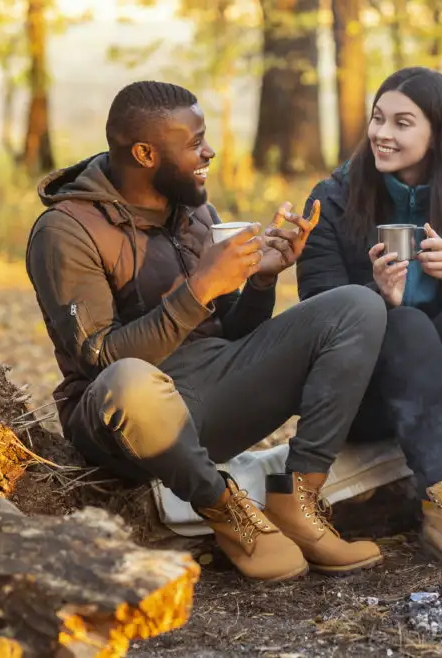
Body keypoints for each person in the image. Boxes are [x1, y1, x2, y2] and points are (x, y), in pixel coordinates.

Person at [26, 81, 389, 581]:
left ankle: (296, 499)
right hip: (132, 423)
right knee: (129, 381)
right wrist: (197, 289)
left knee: (356, 305)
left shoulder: (194, 210)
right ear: (146, 153)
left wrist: (260, 281)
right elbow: (99, 358)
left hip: (211, 393)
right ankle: (224, 508)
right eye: (195, 142)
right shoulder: (66, 231)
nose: (209, 151)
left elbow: (232, 332)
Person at [297, 67, 442, 565]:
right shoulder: (332, 200)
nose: (382, 134)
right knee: (407, 323)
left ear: (438, 134)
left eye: (402, 123)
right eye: (378, 120)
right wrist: (374, 301)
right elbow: (313, 317)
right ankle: (441, 502)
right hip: (364, 398)